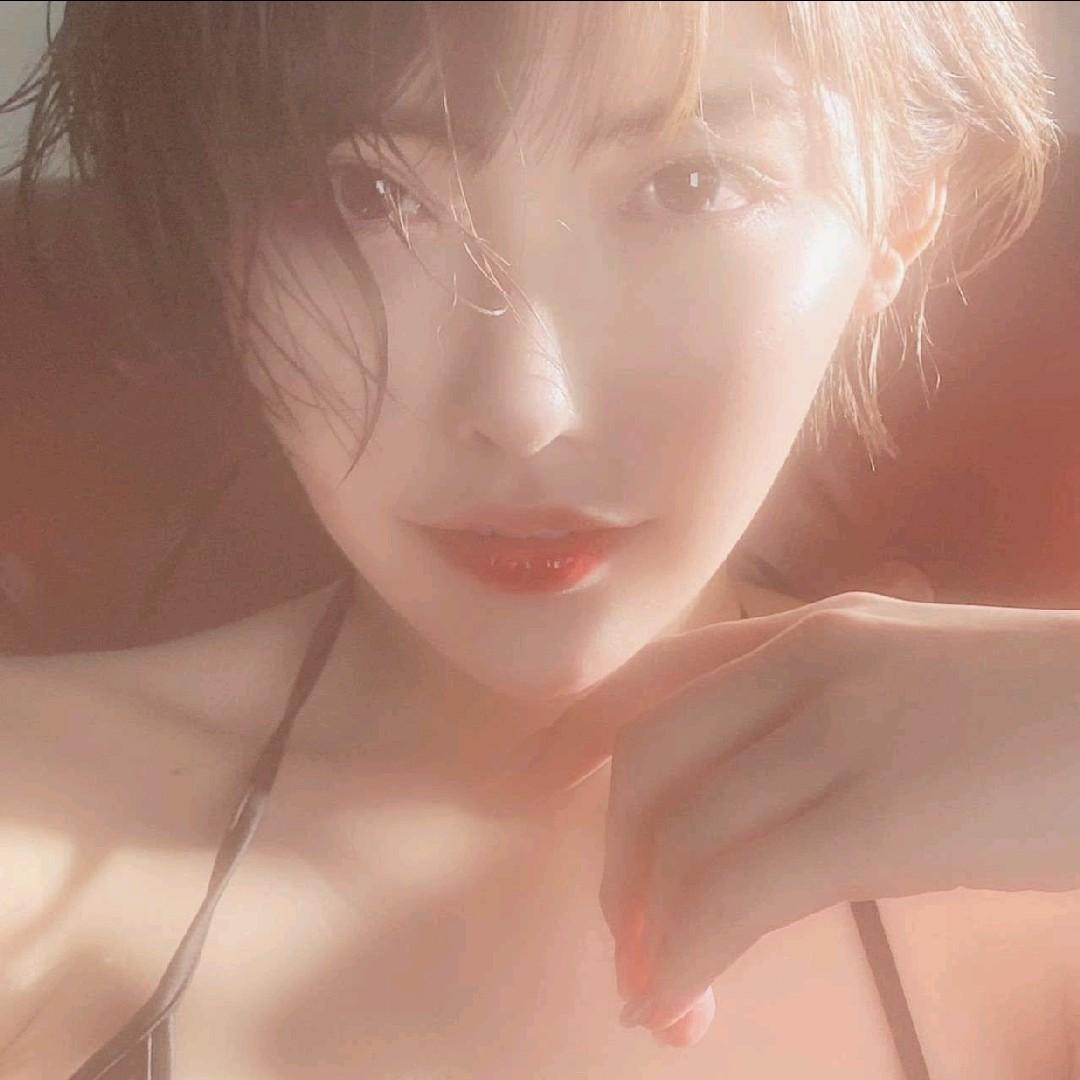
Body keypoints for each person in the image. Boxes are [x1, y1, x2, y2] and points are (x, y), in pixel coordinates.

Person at [0, 2, 1071, 1077]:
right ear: (217, 229)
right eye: (367, 194)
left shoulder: (1038, 856)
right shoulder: (30, 807)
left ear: (906, 216)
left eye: (691, 184)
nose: (523, 408)